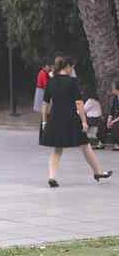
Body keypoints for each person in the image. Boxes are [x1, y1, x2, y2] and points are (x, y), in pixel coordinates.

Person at [41, 56, 112, 187]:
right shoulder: (72, 82)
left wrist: (44, 121)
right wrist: (84, 122)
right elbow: (79, 103)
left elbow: (45, 104)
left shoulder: (51, 81)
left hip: (55, 118)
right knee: (85, 145)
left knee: (57, 149)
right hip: (71, 118)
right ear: (67, 66)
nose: (72, 70)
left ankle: (51, 177)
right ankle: (98, 172)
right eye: (72, 67)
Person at [104, 82, 119, 151]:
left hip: (117, 119)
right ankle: (102, 142)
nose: (112, 89)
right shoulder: (115, 97)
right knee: (104, 122)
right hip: (116, 117)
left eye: (113, 88)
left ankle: (117, 143)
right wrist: (108, 120)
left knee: (115, 124)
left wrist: (113, 121)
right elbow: (112, 111)